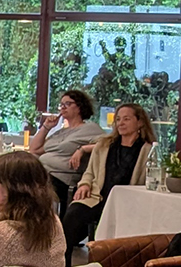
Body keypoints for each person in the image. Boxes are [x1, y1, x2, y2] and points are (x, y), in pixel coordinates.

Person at [60, 102, 156, 255]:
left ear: (140, 122)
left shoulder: (147, 150)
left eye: (126, 119)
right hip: (98, 197)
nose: (121, 123)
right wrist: (84, 184)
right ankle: (63, 261)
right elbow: (89, 172)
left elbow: (150, 180)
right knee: (73, 213)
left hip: (127, 203)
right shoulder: (104, 145)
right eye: (118, 119)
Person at [27, 89, 106, 196]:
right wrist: (46, 127)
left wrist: (82, 149)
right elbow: (34, 149)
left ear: (79, 107)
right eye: (61, 105)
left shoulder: (90, 128)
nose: (63, 107)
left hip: (61, 178)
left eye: (67, 104)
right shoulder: (61, 131)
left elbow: (109, 145)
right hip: (44, 173)